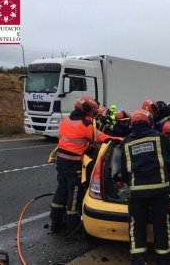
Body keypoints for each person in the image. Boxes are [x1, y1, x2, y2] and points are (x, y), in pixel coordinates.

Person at [50, 96, 122, 235]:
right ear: (87, 110)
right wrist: (120, 139)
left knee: (61, 190)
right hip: (73, 163)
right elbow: (102, 138)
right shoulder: (85, 125)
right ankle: (73, 227)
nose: (93, 114)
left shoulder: (65, 121)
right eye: (92, 111)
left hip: (61, 161)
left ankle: (55, 222)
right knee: (74, 194)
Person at [115, 109, 170, 265]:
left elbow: (122, 171)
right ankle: (164, 261)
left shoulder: (127, 142)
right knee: (162, 226)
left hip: (137, 193)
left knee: (137, 228)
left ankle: (138, 261)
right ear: (149, 122)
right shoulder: (160, 138)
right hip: (160, 192)